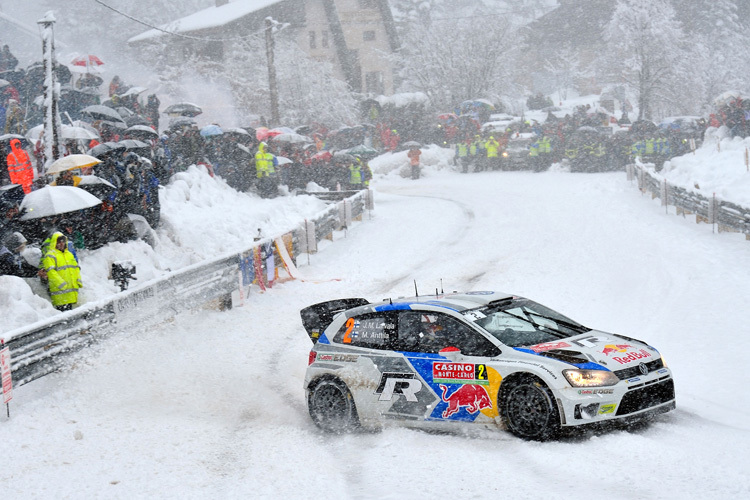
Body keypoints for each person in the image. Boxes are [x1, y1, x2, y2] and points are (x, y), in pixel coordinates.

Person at [40, 231, 81, 311]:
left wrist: (78, 281)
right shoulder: (50, 256)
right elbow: (51, 272)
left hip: (71, 291)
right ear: (54, 243)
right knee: (63, 314)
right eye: (59, 242)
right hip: (60, 293)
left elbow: (76, 268)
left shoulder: (69, 254)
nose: (61, 244)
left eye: (63, 241)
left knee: (70, 313)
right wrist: (61, 284)